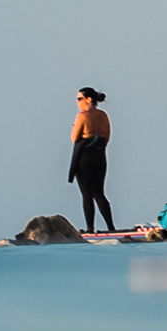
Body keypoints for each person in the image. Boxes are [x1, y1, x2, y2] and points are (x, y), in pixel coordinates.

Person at [69, 88, 115, 232]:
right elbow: (107, 137)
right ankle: (111, 227)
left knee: (87, 194)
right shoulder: (104, 116)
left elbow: (74, 138)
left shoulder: (82, 116)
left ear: (88, 99)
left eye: (79, 99)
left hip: (85, 157)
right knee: (99, 192)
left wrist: (76, 127)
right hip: (100, 156)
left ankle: (90, 228)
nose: (77, 102)